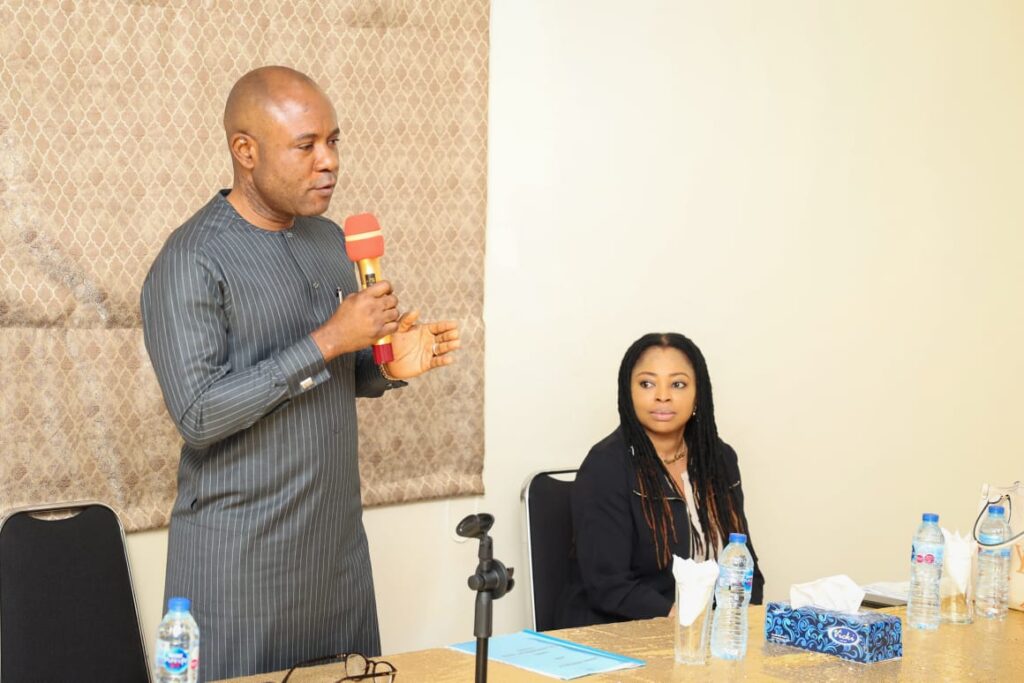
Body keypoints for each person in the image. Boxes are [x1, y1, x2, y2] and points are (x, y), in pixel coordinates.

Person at [140, 66, 459, 681]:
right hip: (241, 566)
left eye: (333, 141)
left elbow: (335, 370)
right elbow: (199, 414)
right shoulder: (191, 260)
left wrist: (386, 366)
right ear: (246, 150)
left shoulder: (329, 240)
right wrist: (331, 337)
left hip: (335, 559)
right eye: (306, 145)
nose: (329, 161)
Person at [555, 332, 764, 628]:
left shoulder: (718, 459)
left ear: (698, 394)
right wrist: (687, 619)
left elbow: (743, 561)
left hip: (708, 631)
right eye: (647, 384)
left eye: (678, 384)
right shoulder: (606, 465)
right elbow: (608, 585)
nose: (662, 396)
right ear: (627, 393)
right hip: (621, 633)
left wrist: (740, 621)